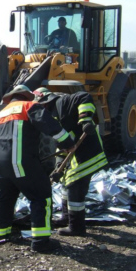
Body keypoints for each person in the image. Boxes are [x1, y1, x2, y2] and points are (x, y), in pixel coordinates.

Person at [0, 85, 75, 253]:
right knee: (41, 196)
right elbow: (50, 125)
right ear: (27, 96)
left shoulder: (0, 114)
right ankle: (41, 242)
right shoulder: (28, 106)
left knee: (4, 199)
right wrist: (68, 143)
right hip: (19, 162)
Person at [33, 87, 109, 236]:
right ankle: (66, 218)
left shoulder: (64, 102)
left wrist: (85, 119)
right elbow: (61, 145)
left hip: (88, 151)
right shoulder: (52, 118)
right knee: (65, 183)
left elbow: (84, 96)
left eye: (41, 105)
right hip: (74, 153)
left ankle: (77, 227)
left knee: (74, 184)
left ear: (47, 101)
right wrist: (58, 170)